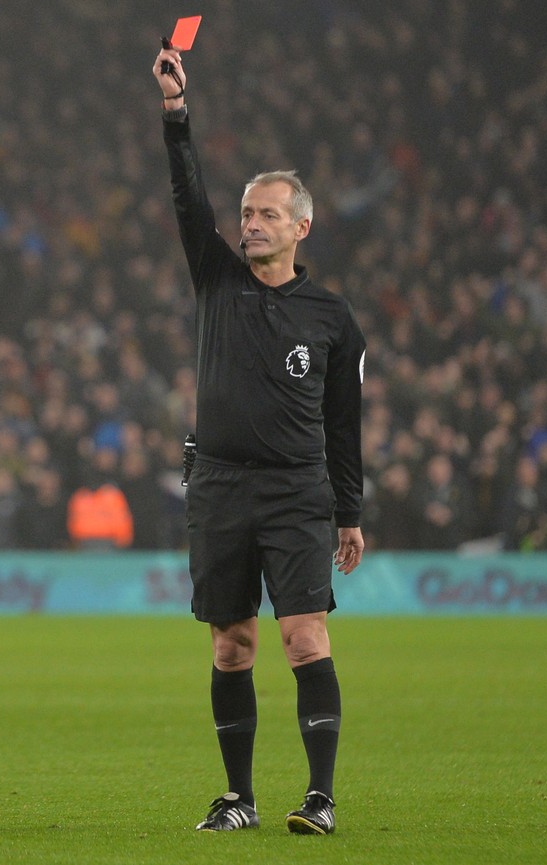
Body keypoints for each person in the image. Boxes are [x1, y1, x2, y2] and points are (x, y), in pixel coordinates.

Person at [156, 47, 367, 835]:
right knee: (231, 644)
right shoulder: (216, 276)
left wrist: (349, 509)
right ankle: (237, 797)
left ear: (301, 226)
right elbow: (187, 201)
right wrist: (177, 116)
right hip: (217, 485)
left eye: (267, 213)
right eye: (246, 212)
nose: (250, 222)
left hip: (297, 488)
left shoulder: (332, 318)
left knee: (304, 634)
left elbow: (344, 422)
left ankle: (320, 797)